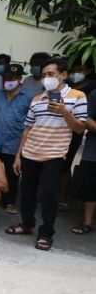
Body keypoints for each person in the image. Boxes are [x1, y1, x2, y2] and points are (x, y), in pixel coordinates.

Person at [6, 57, 87, 251]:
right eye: (44, 75)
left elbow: (79, 128)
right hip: (30, 152)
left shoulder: (77, 96)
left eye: (50, 74)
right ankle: (27, 224)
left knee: (50, 193)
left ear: (63, 75)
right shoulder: (37, 99)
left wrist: (65, 112)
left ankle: (46, 233)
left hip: (54, 153)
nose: (46, 78)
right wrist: (19, 155)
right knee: (27, 191)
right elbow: (27, 129)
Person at [0, 64, 34, 214]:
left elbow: (31, 122)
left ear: (19, 79)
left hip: (14, 141)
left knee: (12, 173)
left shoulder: (29, 97)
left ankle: (9, 201)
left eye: (11, 78)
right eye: (5, 78)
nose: (7, 81)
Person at [57, 61, 96, 211]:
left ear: (89, 70)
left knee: (66, 164)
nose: (76, 73)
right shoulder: (66, 86)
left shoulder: (91, 88)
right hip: (57, 129)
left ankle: (62, 197)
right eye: (74, 70)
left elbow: (86, 117)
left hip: (75, 130)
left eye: (80, 70)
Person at [72, 89, 96, 235]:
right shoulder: (95, 94)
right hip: (93, 151)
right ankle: (87, 222)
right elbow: (86, 119)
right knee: (90, 187)